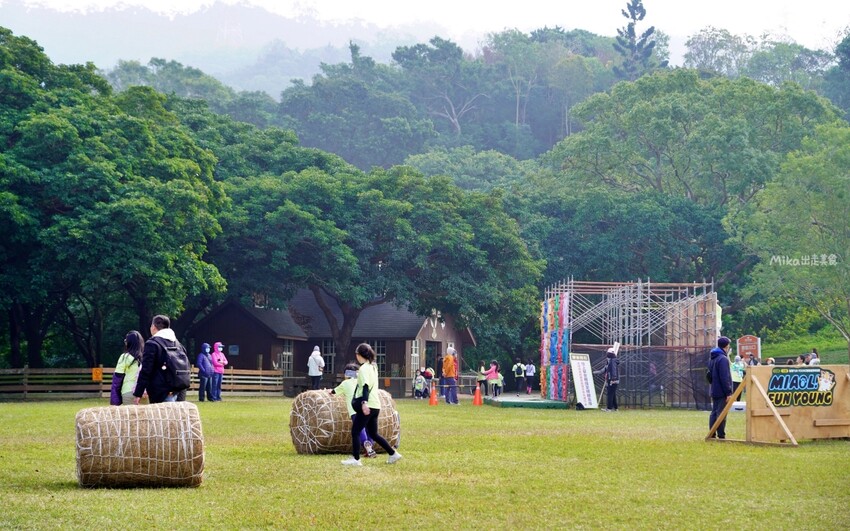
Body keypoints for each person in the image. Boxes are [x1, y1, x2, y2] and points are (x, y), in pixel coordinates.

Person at [341, 343, 402, 466]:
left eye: (357, 354)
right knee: (373, 434)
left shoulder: (363, 368)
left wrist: (364, 403)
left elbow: (365, 386)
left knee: (355, 431)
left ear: (360, 355)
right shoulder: (373, 367)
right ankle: (393, 454)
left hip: (368, 404)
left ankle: (356, 459)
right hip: (376, 405)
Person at [133, 315, 188, 405]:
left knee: (163, 418)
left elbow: (146, 370)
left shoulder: (152, 344)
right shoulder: (178, 344)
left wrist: (138, 393)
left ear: (154, 327)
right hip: (177, 389)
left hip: (160, 392)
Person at [331, 362, 376, 458]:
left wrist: (328, 391)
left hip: (354, 411)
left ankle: (366, 444)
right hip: (368, 407)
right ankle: (370, 446)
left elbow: (334, 392)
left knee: (360, 429)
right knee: (369, 428)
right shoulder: (361, 381)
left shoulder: (345, 383)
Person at [708, 336, 733, 439]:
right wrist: (728, 392)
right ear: (726, 346)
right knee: (721, 413)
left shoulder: (712, 358)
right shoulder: (723, 359)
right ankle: (721, 434)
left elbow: (708, 375)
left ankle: (712, 433)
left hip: (714, 389)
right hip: (722, 391)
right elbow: (725, 377)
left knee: (714, 412)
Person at [110, 330, 144, 406]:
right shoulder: (146, 357)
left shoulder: (125, 357)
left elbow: (117, 379)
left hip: (128, 392)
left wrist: (115, 400)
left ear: (129, 343)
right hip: (144, 393)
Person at [594, 347, 620, 412]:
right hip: (611, 380)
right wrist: (595, 372)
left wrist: (613, 379)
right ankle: (615, 408)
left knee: (610, 394)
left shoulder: (612, 361)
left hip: (612, 380)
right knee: (612, 394)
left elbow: (613, 371)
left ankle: (609, 408)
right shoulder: (610, 361)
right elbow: (604, 370)